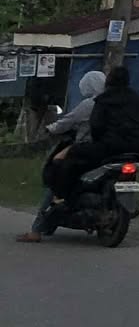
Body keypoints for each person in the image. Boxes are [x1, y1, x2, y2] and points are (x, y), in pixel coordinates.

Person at [15, 70, 103, 243]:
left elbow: (67, 122)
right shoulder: (116, 103)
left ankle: (37, 229)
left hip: (85, 148)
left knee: (55, 175)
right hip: (114, 151)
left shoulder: (90, 104)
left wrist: (51, 128)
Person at [50, 63, 139, 203]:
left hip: (108, 147)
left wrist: (100, 141)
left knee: (68, 157)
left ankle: (62, 196)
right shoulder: (138, 100)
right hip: (136, 149)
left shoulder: (103, 100)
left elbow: (96, 126)